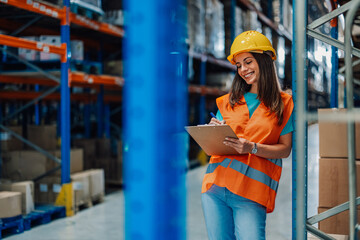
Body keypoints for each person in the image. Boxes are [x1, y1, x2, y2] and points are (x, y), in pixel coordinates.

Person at [201, 30, 294, 240]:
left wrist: (251, 147)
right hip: (215, 188)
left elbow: (285, 149)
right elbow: (215, 145)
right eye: (239, 65)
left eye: (248, 62)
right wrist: (212, 131)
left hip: (251, 194)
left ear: (264, 60)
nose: (243, 69)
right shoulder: (227, 101)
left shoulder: (284, 103)